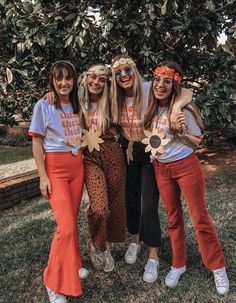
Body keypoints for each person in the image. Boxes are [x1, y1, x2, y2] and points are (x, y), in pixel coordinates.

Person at [143, 61, 229, 294]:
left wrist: (182, 133)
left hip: (186, 166)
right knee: (173, 218)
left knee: (200, 217)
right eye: (157, 79)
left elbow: (196, 142)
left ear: (175, 84)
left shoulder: (185, 109)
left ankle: (217, 266)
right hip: (162, 169)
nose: (160, 85)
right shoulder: (151, 108)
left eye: (167, 81)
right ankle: (178, 263)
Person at [110, 54, 192, 283]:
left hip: (151, 149)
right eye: (118, 73)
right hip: (129, 149)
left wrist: (176, 107)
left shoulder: (148, 87)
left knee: (149, 202)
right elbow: (87, 94)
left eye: (127, 70)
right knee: (131, 199)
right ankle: (135, 241)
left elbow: (185, 91)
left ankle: (153, 254)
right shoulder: (115, 96)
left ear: (134, 71)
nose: (123, 76)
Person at [29, 60, 88, 303]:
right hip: (56, 168)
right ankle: (53, 282)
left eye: (68, 78)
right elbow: (36, 142)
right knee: (65, 228)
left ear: (74, 81)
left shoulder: (77, 104)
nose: (63, 83)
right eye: (58, 78)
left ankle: (73, 264)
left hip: (77, 167)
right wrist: (43, 175)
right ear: (52, 81)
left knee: (72, 222)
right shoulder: (44, 105)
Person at [78, 64, 126, 272]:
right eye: (93, 78)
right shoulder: (76, 101)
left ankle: (104, 244)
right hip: (90, 156)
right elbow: (56, 93)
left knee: (115, 204)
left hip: (113, 153)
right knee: (99, 207)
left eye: (101, 80)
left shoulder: (113, 100)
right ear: (86, 78)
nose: (96, 83)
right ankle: (97, 244)